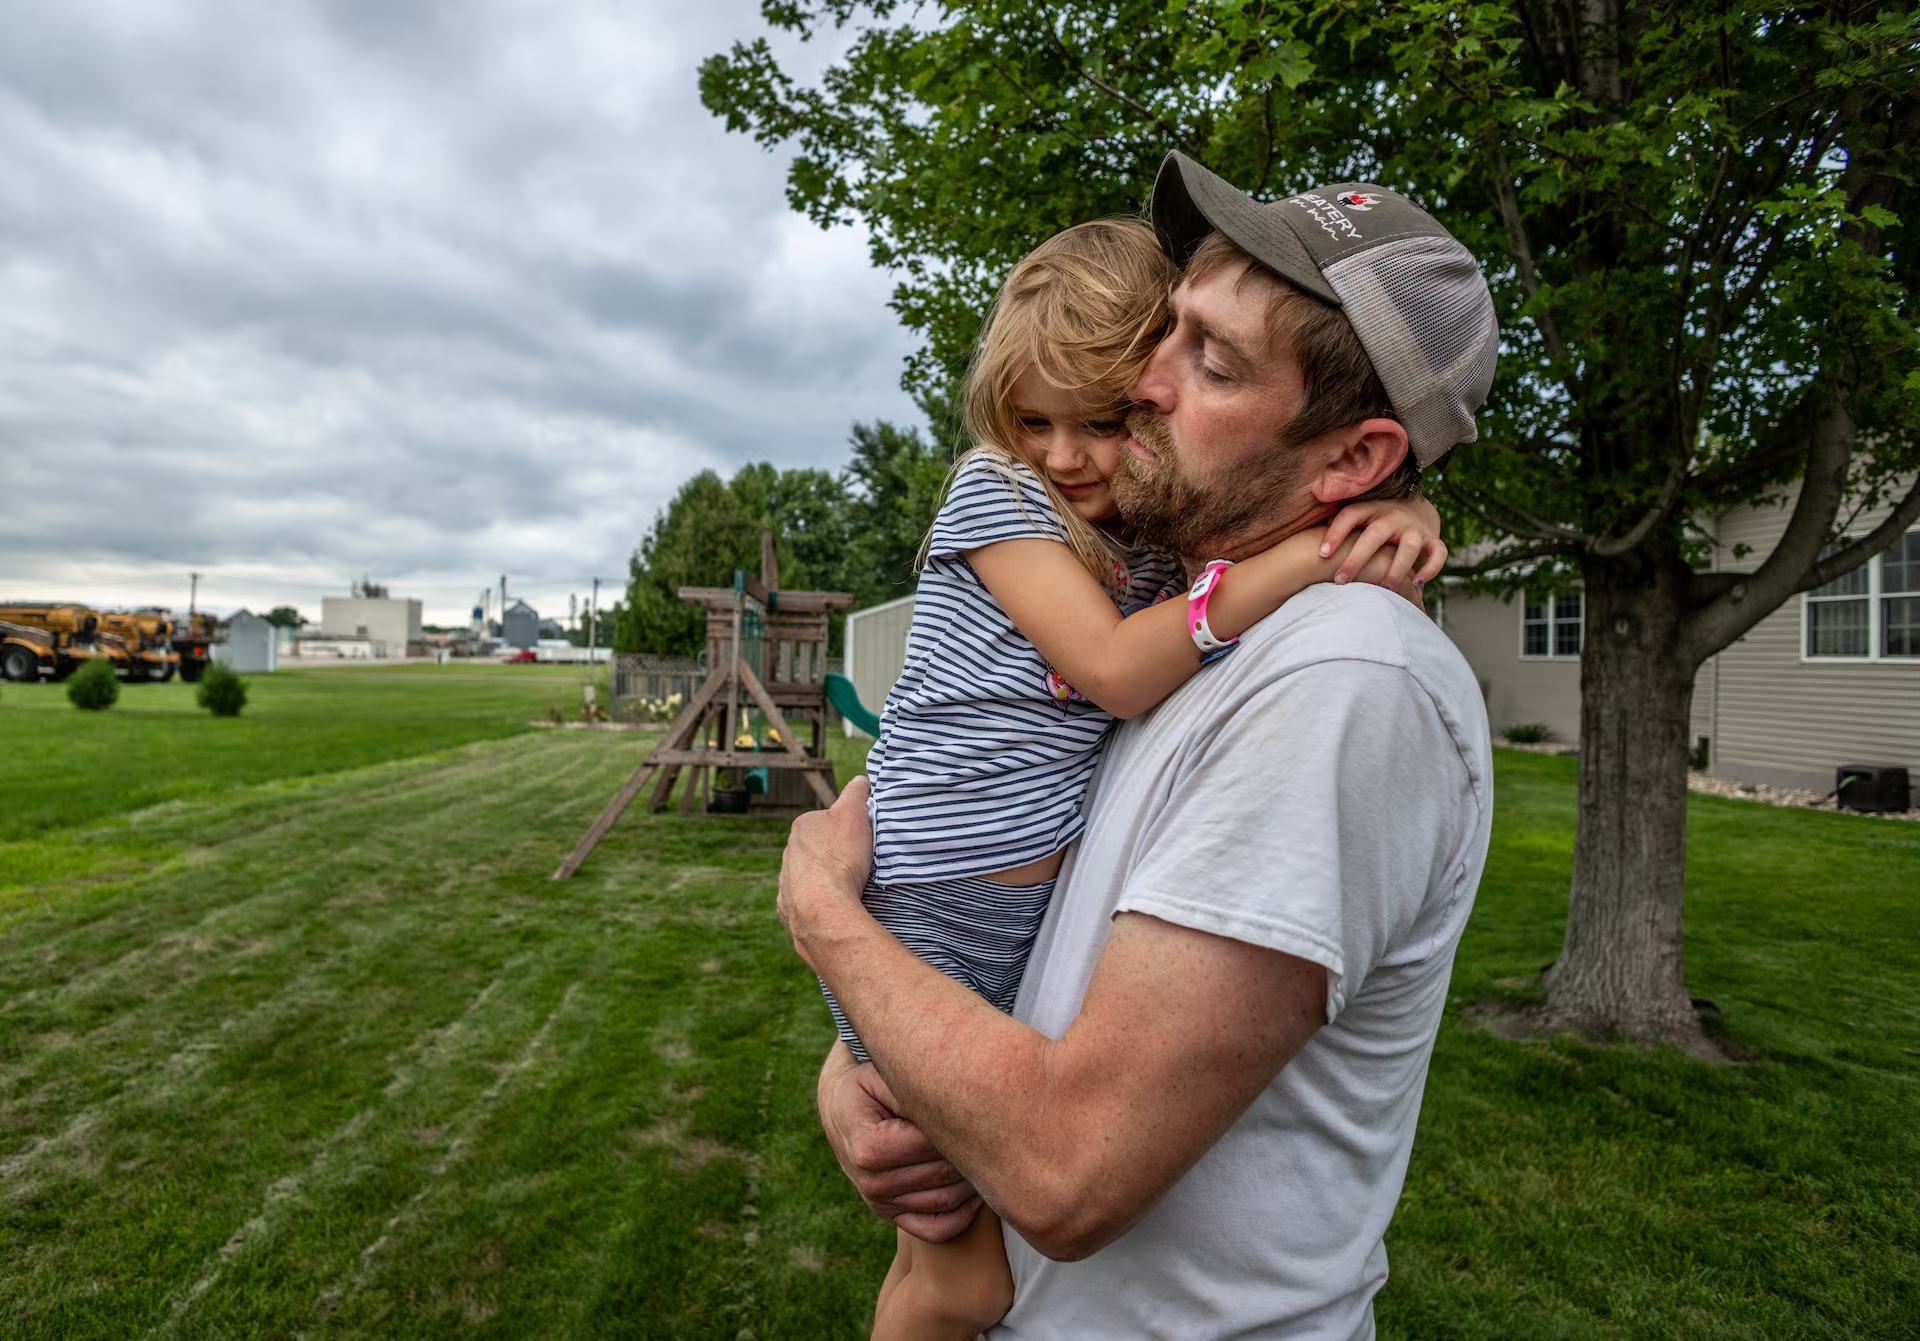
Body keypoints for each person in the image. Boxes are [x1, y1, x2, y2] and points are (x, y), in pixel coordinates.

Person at [780, 151, 1499, 1339]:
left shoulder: (1343, 678)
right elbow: (1036, 954)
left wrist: (825, 918)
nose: (1144, 385)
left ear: (1354, 460)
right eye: (1167, 332)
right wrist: (860, 1080)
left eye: (1210, 359)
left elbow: (1067, 1168)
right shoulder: (1174, 617)